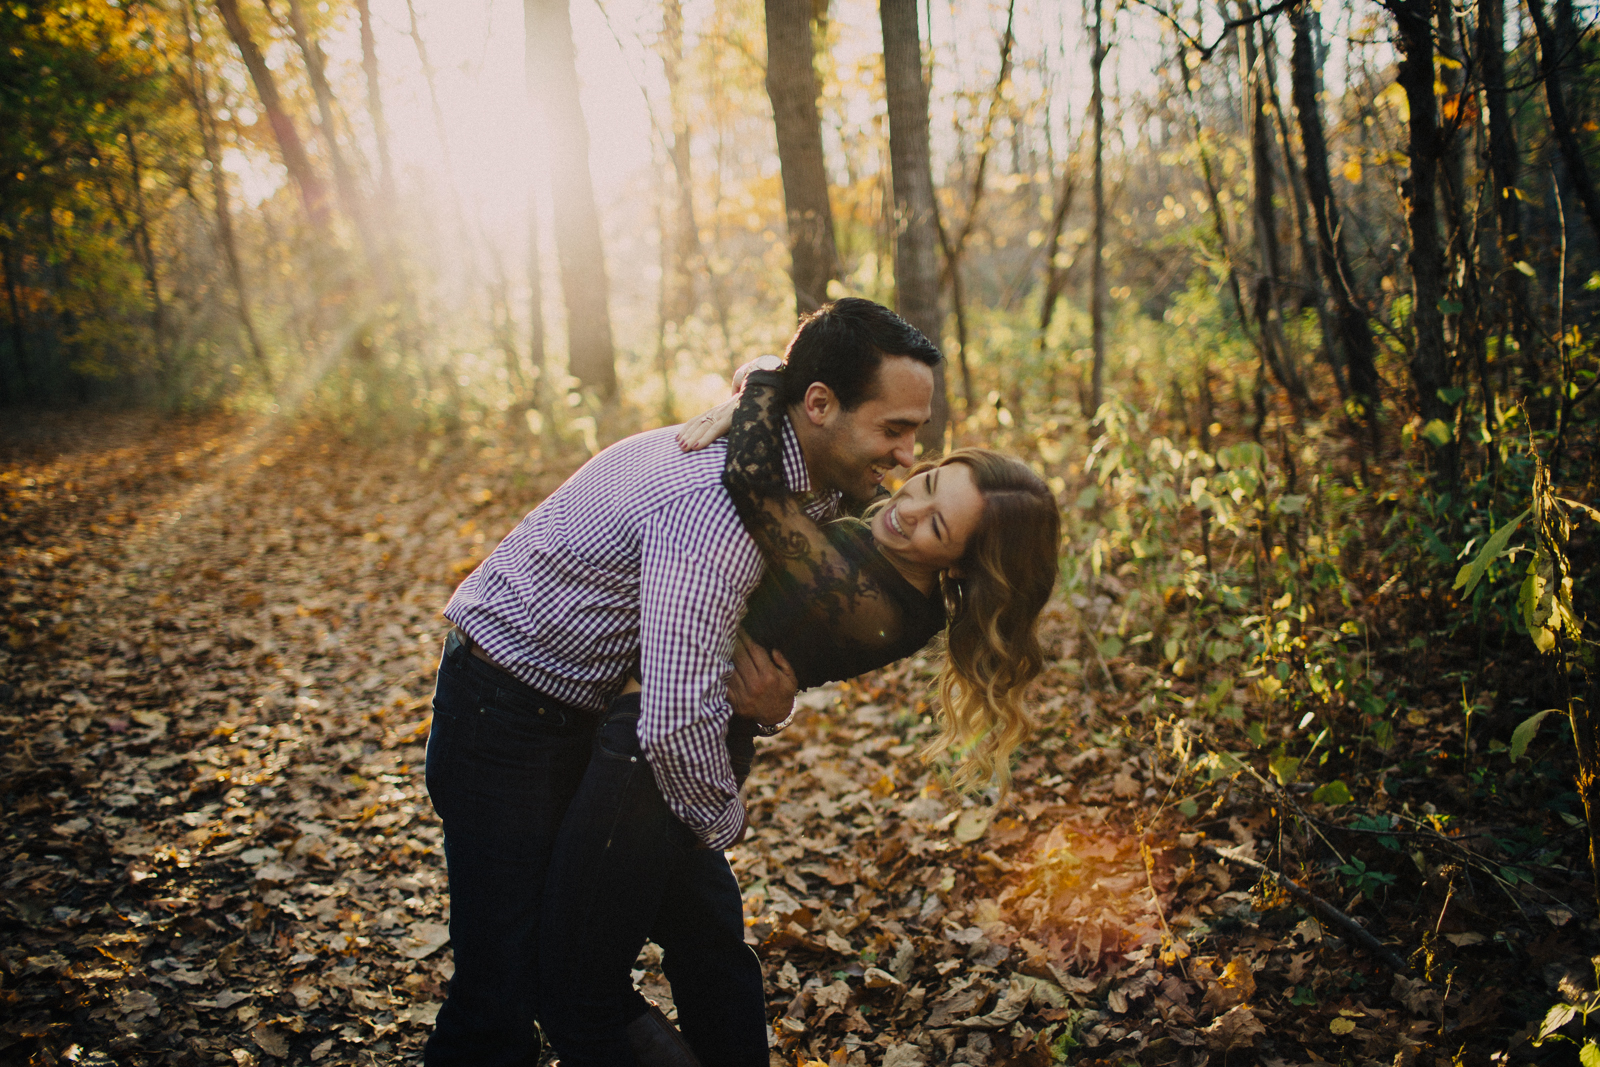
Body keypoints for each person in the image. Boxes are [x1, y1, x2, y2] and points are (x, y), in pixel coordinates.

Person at [423, 298, 942, 1067]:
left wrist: (761, 384)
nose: (906, 458)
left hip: (593, 719)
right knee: (500, 990)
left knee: (700, 936)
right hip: (507, 714)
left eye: (915, 434)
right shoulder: (717, 509)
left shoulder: (802, 467)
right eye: (893, 429)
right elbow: (673, 718)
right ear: (822, 404)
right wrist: (721, 823)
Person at [534, 364, 1061, 1065]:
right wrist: (787, 387)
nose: (908, 510)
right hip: (689, 733)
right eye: (928, 484)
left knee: (574, 989)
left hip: (660, 747)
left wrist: (760, 386)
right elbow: (824, 424)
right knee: (710, 948)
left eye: (937, 525)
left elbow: (754, 483)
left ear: (962, 567)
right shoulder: (875, 523)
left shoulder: (886, 603)